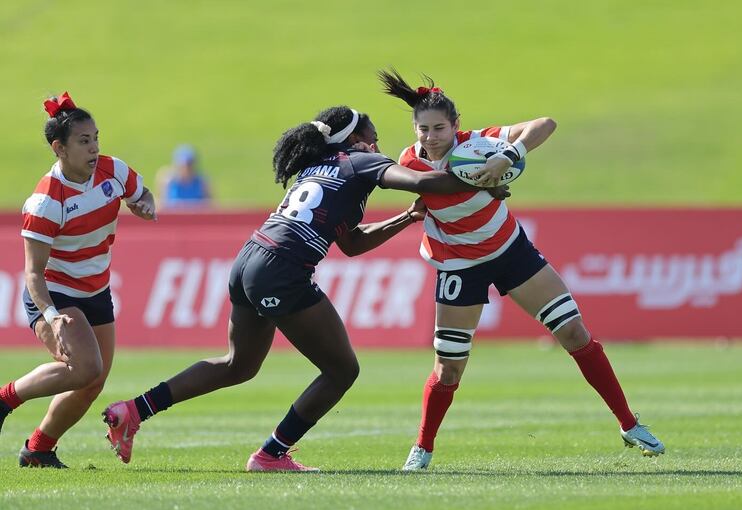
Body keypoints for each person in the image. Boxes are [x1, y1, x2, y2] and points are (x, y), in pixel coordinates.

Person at [101, 105, 509, 472]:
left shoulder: (319, 167)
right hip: (282, 268)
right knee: (342, 370)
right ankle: (271, 454)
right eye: (373, 137)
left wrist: (406, 219)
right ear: (353, 140)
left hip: (250, 258)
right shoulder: (359, 160)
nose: (378, 145)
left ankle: (133, 411)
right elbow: (423, 182)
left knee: (238, 365)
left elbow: (350, 245)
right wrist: (484, 176)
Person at [378, 69, 665, 471]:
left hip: (511, 251)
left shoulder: (478, 144)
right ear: (414, 129)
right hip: (458, 265)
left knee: (574, 332)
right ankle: (423, 448)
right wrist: (479, 186)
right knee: (449, 369)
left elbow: (545, 124)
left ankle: (629, 424)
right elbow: (425, 192)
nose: (431, 136)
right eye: (423, 129)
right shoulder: (409, 163)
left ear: (456, 126)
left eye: (439, 127)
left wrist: (508, 155)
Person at [0, 92, 157, 468]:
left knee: (92, 382)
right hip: (54, 293)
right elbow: (33, 274)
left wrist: (144, 204)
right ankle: (5, 399)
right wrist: (51, 316)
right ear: (60, 149)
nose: (94, 148)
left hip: (96, 290)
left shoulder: (113, 171)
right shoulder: (45, 202)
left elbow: (141, 192)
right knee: (85, 367)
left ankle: (38, 450)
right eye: (84, 141)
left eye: (96, 138)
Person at [156, 144, 212, 210]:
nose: (186, 168)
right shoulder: (168, 182)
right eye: (183, 165)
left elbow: (210, 206)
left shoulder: (202, 183)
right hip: (174, 218)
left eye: (189, 165)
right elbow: (159, 206)